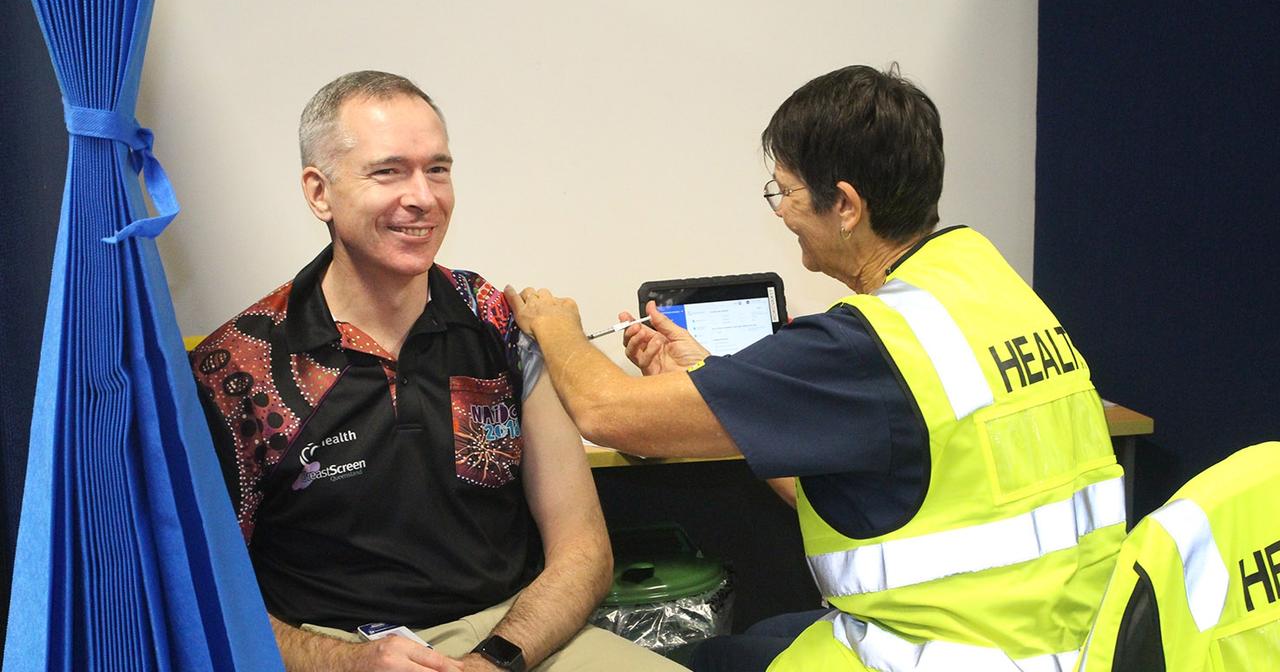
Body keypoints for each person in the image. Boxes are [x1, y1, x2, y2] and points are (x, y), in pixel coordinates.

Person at [504, 64, 1128, 671]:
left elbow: (607, 412)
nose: (779, 210)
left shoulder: (866, 347)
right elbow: (891, 483)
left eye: (786, 190)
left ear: (847, 205)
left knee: (709, 658)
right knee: (758, 638)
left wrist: (556, 328)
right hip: (1071, 642)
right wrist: (717, 381)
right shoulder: (990, 287)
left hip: (936, 651)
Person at [190, 71, 683, 672]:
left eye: (438, 169)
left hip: (512, 632)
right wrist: (351, 663)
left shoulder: (501, 323)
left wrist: (494, 659)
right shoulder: (239, 369)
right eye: (388, 171)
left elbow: (583, 550)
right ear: (319, 192)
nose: (423, 196)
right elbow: (207, 598)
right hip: (339, 650)